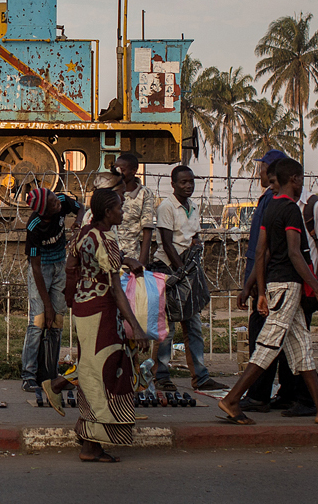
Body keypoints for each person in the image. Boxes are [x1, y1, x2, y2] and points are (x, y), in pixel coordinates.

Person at [217, 159, 318, 426]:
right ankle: (232, 398)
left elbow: (261, 252)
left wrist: (259, 288)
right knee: (268, 345)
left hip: (276, 285)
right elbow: (294, 253)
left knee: (301, 347)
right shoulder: (291, 210)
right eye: (300, 179)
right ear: (295, 179)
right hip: (288, 285)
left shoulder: (270, 207)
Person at [39, 189, 146, 463]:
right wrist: (135, 324)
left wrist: (74, 296)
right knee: (104, 374)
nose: (123, 212)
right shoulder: (107, 239)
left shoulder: (85, 233)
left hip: (85, 309)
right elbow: (116, 290)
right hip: (102, 311)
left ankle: (86, 434)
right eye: (120, 208)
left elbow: (71, 264)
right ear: (108, 212)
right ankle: (89, 444)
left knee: (92, 370)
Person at [149, 165, 225, 391]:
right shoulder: (167, 207)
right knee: (168, 324)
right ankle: (161, 374)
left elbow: (193, 236)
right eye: (183, 182)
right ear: (173, 184)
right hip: (170, 268)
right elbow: (166, 242)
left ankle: (200, 375)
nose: (188, 185)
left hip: (188, 269)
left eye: (191, 181)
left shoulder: (193, 206)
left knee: (192, 324)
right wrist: (181, 271)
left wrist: (195, 248)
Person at [237, 150, 287, 413]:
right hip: (261, 275)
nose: (259, 172)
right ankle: (286, 391)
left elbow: (262, 247)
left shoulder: (271, 200)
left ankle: (258, 395)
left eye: (262, 167)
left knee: (262, 338)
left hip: (263, 278)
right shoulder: (270, 199)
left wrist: (254, 284)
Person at [20, 186, 82, 393]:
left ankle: (51, 372)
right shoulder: (34, 226)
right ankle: (28, 375)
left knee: (57, 321)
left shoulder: (62, 200)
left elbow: (80, 209)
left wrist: (79, 224)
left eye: (57, 200)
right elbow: (35, 267)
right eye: (54, 203)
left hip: (60, 264)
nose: (59, 203)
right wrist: (46, 305)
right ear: (45, 211)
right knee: (38, 321)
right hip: (42, 270)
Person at [114, 153, 156, 270]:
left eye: (122, 170)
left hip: (132, 259)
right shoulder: (110, 192)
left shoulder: (144, 194)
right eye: (116, 169)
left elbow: (147, 230)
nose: (118, 173)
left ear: (133, 171)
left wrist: (141, 264)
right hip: (109, 257)